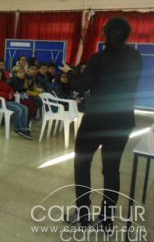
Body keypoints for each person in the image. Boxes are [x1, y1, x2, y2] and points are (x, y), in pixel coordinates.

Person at [61, 17, 142, 231]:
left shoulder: (99, 59)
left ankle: (84, 215)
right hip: (122, 121)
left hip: (95, 121)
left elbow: (80, 85)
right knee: (112, 170)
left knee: (82, 165)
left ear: (104, 35)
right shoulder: (135, 57)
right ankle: (106, 221)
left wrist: (69, 72)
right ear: (127, 35)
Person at [0, 68, 33, 139]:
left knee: (24, 108)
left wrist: (11, 93)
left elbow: (10, 89)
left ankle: (24, 128)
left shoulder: (1, 82)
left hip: (6, 102)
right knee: (18, 109)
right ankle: (17, 128)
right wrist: (7, 95)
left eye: (0, 76)